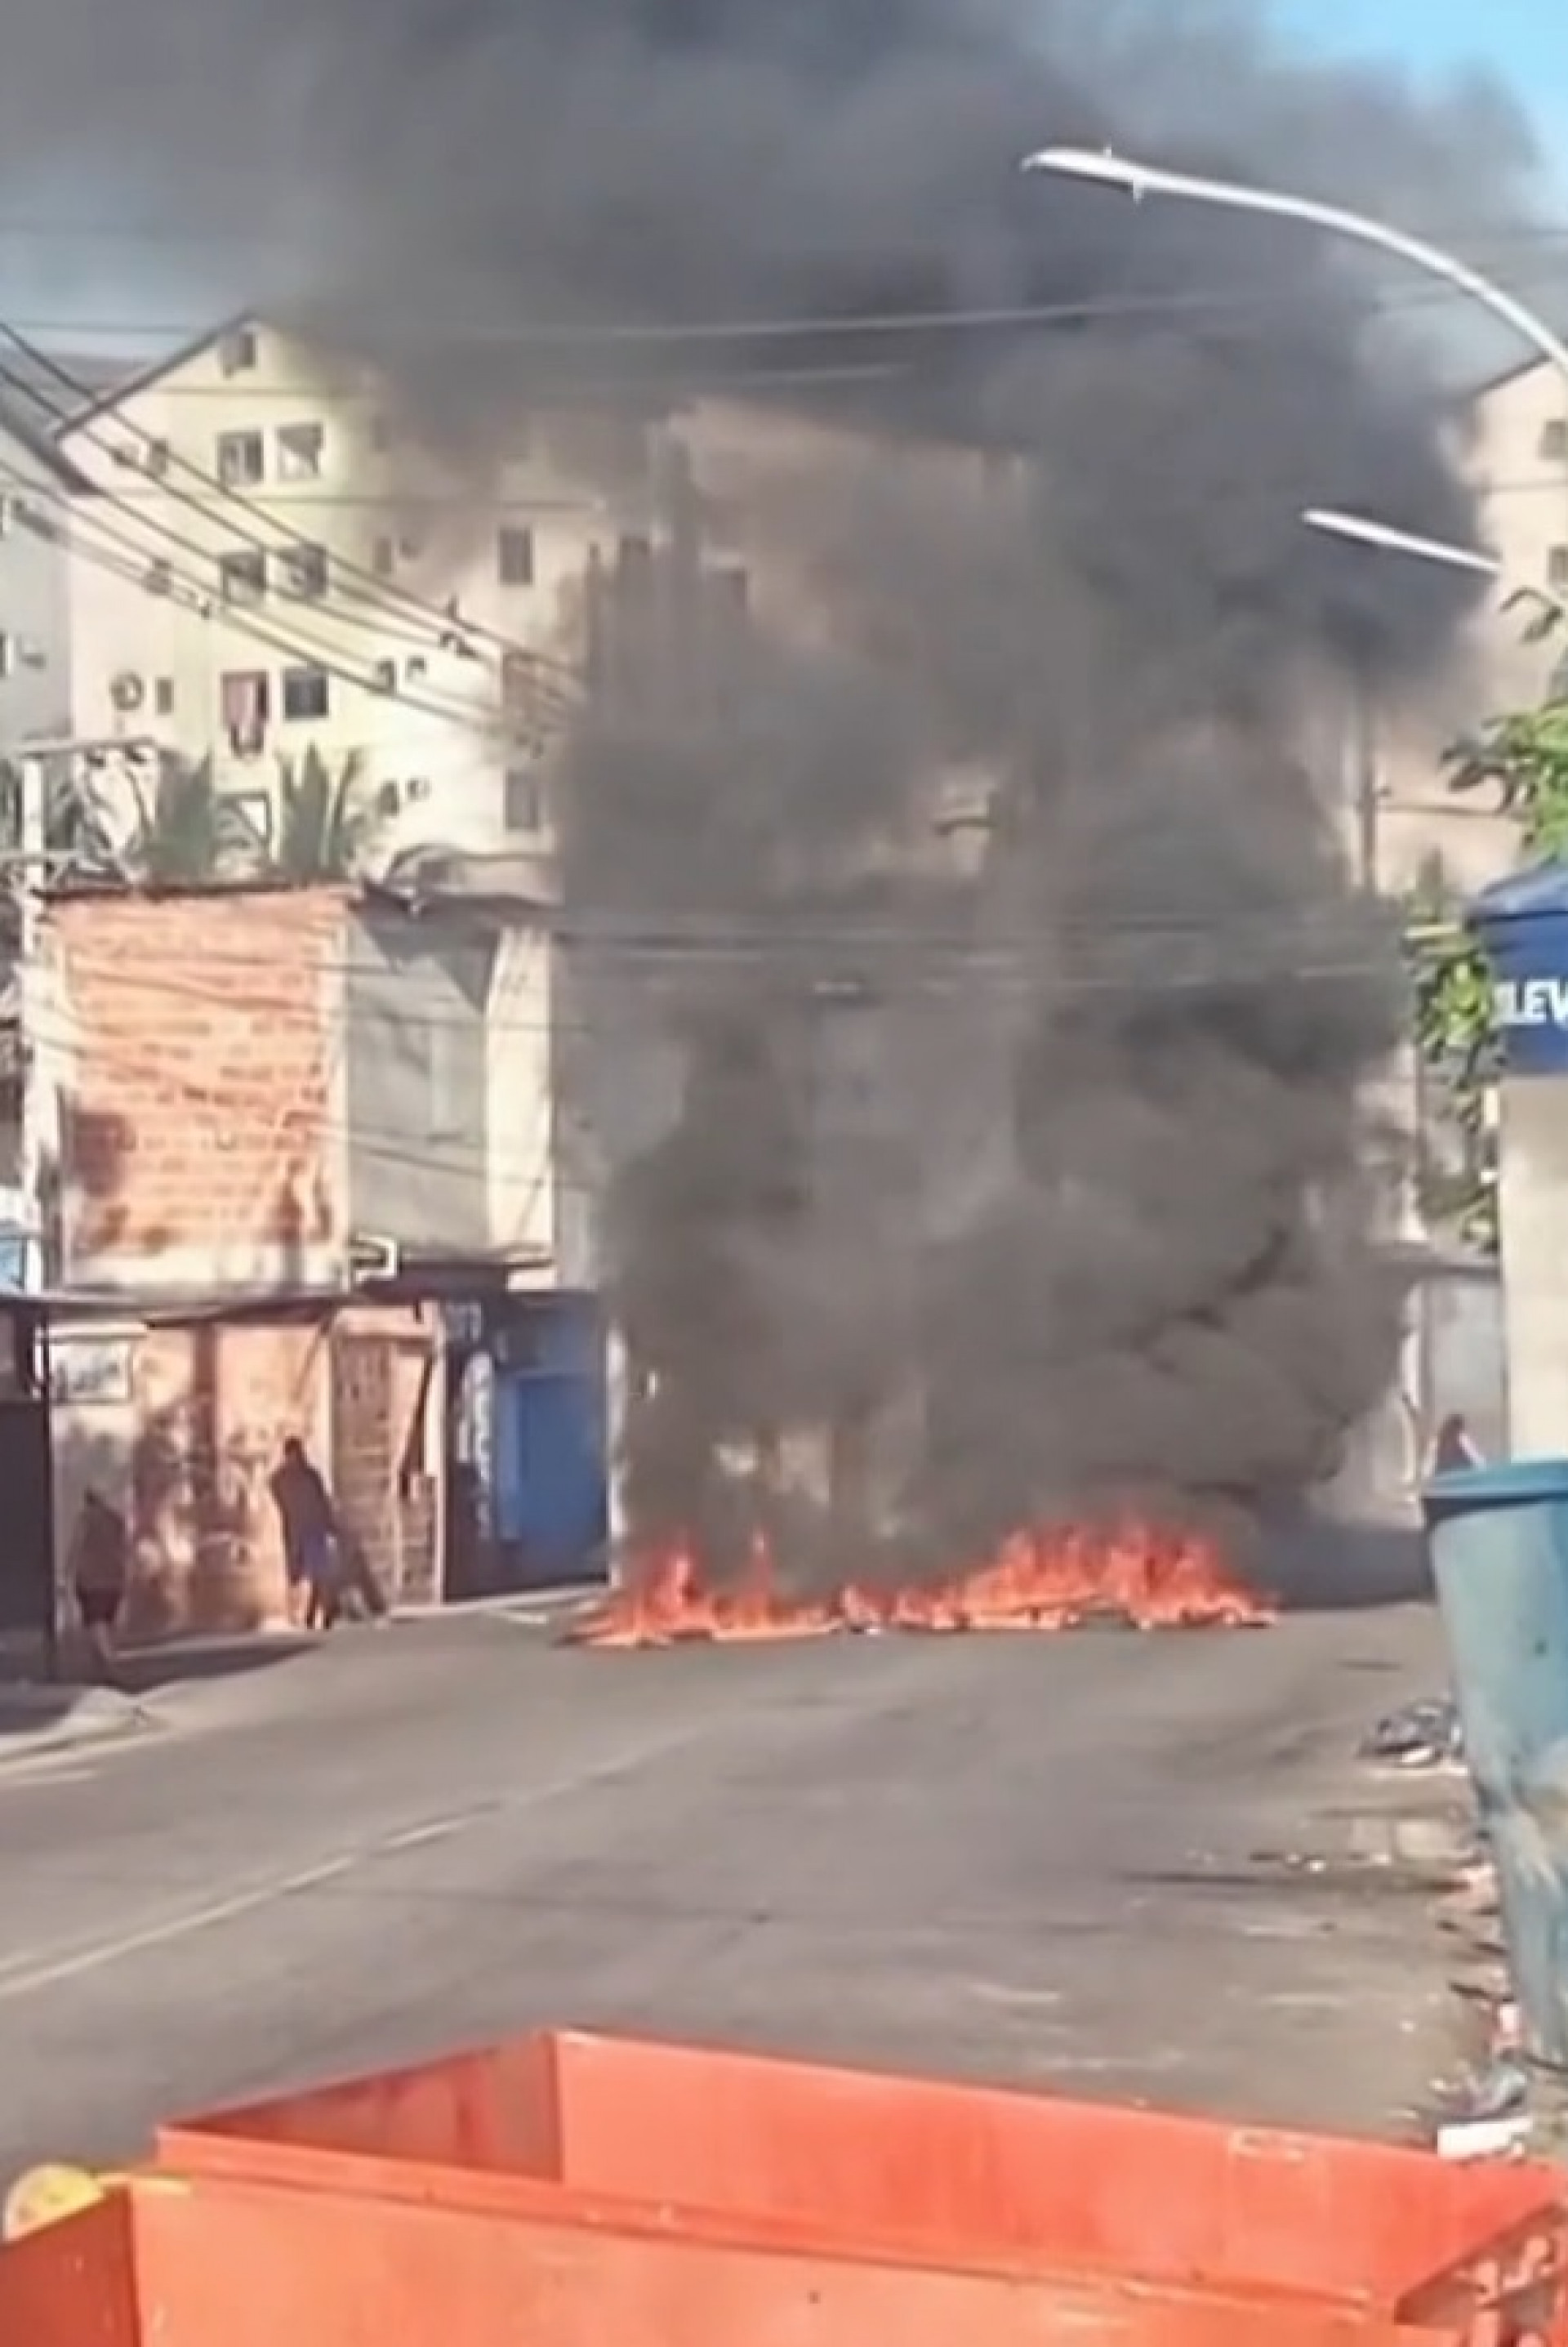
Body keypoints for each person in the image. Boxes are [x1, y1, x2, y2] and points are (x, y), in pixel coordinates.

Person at [269, 1436, 341, 1631]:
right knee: (305, 1575)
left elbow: (321, 1501)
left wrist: (330, 1525)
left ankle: (316, 1614)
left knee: (318, 1574)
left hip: (311, 1529)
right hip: (300, 1530)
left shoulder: (308, 1475)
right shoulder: (283, 1478)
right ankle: (306, 1614)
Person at [68, 1487, 129, 1683]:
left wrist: (66, 1573)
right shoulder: (116, 1519)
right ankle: (104, 1662)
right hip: (114, 1578)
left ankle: (108, 1661)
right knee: (107, 1622)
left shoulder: (85, 1519)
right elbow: (125, 1548)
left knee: (95, 1622)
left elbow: (76, 1547)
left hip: (90, 1579)